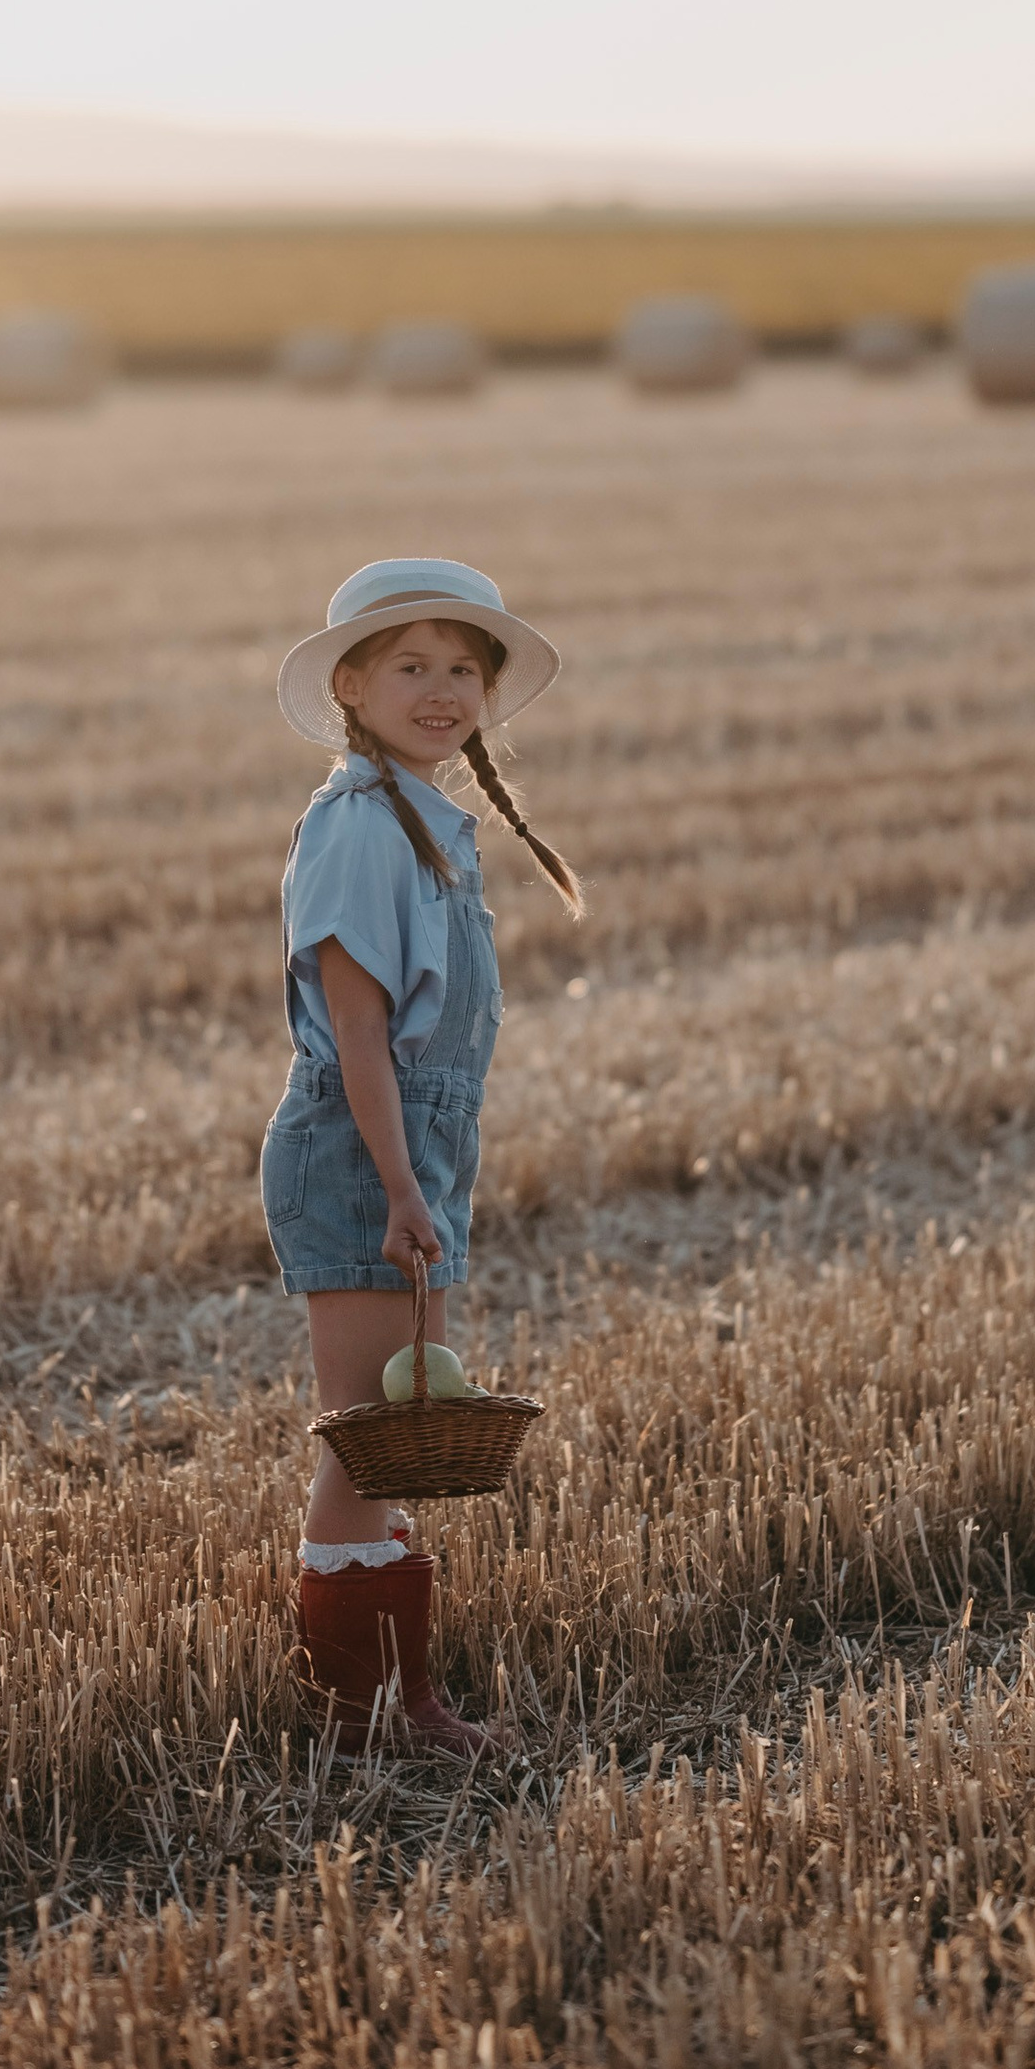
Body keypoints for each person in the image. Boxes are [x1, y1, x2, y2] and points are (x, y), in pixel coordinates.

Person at [262, 554, 582, 1753]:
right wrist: (399, 1184)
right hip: (360, 1149)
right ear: (350, 683)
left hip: (409, 1147)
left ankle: (402, 1698)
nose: (440, 688)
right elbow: (356, 1030)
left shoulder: (428, 823)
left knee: (400, 1432)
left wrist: (426, 1174)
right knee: (365, 1439)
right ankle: (365, 1714)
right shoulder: (356, 828)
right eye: (410, 665)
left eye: (462, 668)